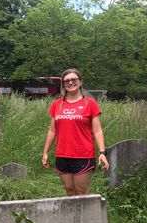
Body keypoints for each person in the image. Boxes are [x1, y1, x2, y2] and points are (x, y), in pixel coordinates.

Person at [42, 68, 109, 196]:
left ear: (80, 82)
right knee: (69, 191)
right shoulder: (57, 104)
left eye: (74, 79)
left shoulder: (90, 103)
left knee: (81, 193)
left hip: (83, 155)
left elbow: (97, 130)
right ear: (63, 84)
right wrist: (45, 152)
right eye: (66, 81)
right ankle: (73, 217)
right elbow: (52, 130)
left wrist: (102, 152)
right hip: (62, 155)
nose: (70, 83)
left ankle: (86, 216)